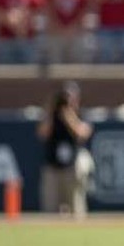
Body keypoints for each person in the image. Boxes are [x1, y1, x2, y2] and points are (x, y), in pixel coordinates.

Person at [37, 81, 94, 218]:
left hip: (72, 167)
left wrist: (68, 115)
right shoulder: (52, 116)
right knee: (51, 209)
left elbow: (82, 133)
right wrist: (52, 111)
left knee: (75, 208)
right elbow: (42, 133)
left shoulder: (80, 114)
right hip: (53, 166)